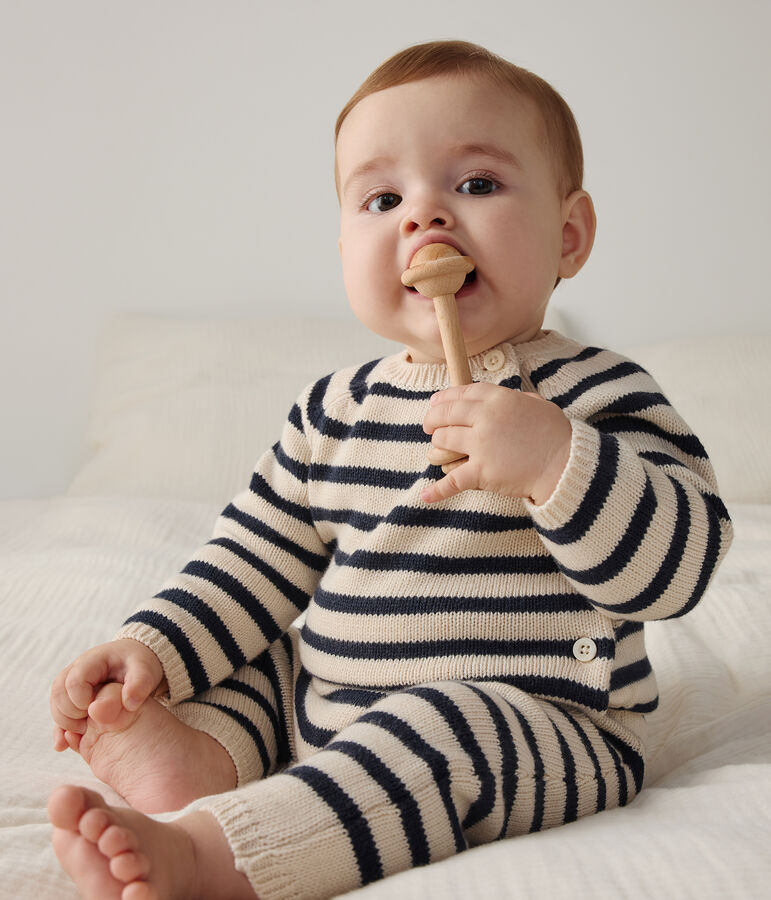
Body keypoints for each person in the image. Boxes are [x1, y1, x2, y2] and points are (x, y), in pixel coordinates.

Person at [48, 39, 733, 900]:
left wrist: (556, 460)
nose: (424, 218)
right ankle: (198, 758)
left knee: (445, 724)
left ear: (569, 233)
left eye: (475, 185)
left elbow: (678, 569)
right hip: (330, 709)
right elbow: (251, 561)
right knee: (258, 656)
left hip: (542, 726)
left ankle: (217, 856)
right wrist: (154, 648)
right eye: (381, 198)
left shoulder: (596, 391)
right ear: (344, 251)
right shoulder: (334, 410)